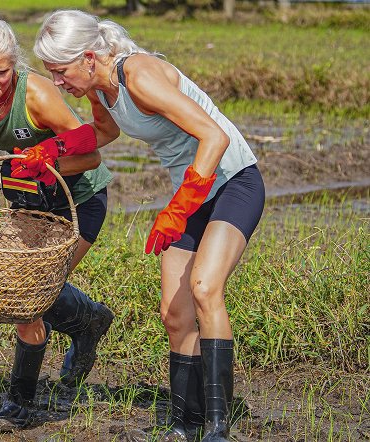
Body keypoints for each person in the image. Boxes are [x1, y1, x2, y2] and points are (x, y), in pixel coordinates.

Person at [20, 9, 265, 442]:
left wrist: (180, 205)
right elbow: (103, 132)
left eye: (60, 72)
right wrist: (52, 151)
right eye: (51, 74)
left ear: (89, 58)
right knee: (174, 314)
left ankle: (218, 429)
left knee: (205, 288)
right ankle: (183, 425)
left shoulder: (140, 75)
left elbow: (215, 137)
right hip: (190, 192)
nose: (58, 83)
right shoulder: (101, 89)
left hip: (232, 182)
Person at [0, 11, 120, 432]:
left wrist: (49, 162)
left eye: (1, 72)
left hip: (78, 199)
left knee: (29, 297)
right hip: (30, 201)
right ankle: (91, 322)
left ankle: (20, 403)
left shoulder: (38, 96)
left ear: (16, 64)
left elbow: (90, 152)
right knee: (28, 292)